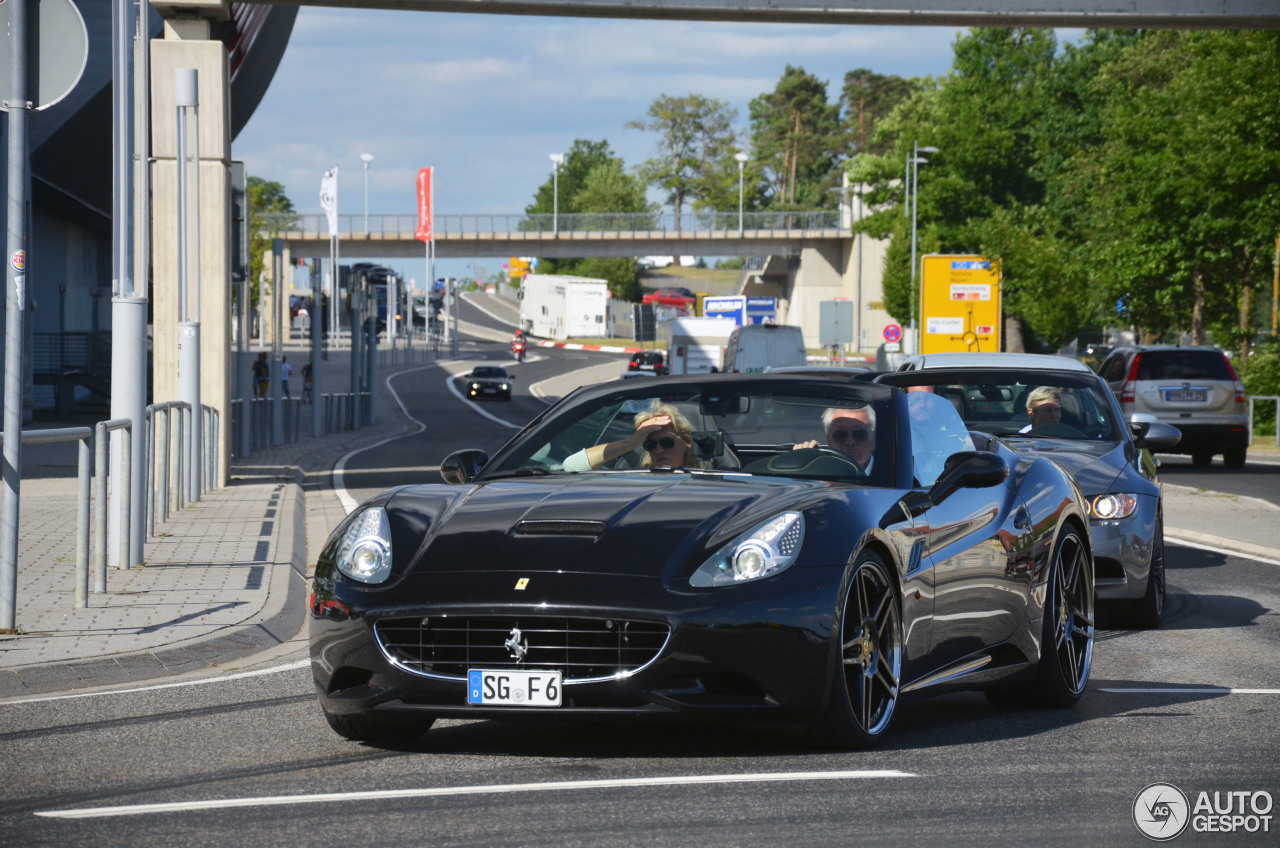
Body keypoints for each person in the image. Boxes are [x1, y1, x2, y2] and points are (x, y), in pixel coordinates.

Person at [563, 402, 702, 471]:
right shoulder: (638, 478)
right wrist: (631, 443)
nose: (658, 450)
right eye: (650, 445)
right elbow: (571, 466)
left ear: (687, 443)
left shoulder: (707, 478)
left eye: (666, 442)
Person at [794, 405, 876, 473]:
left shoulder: (888, 475)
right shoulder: (820, 470)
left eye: (859, 433)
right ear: (829, 440)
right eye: (840, 435)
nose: (850, 441)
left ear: (873, 440)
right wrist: (802, 462)